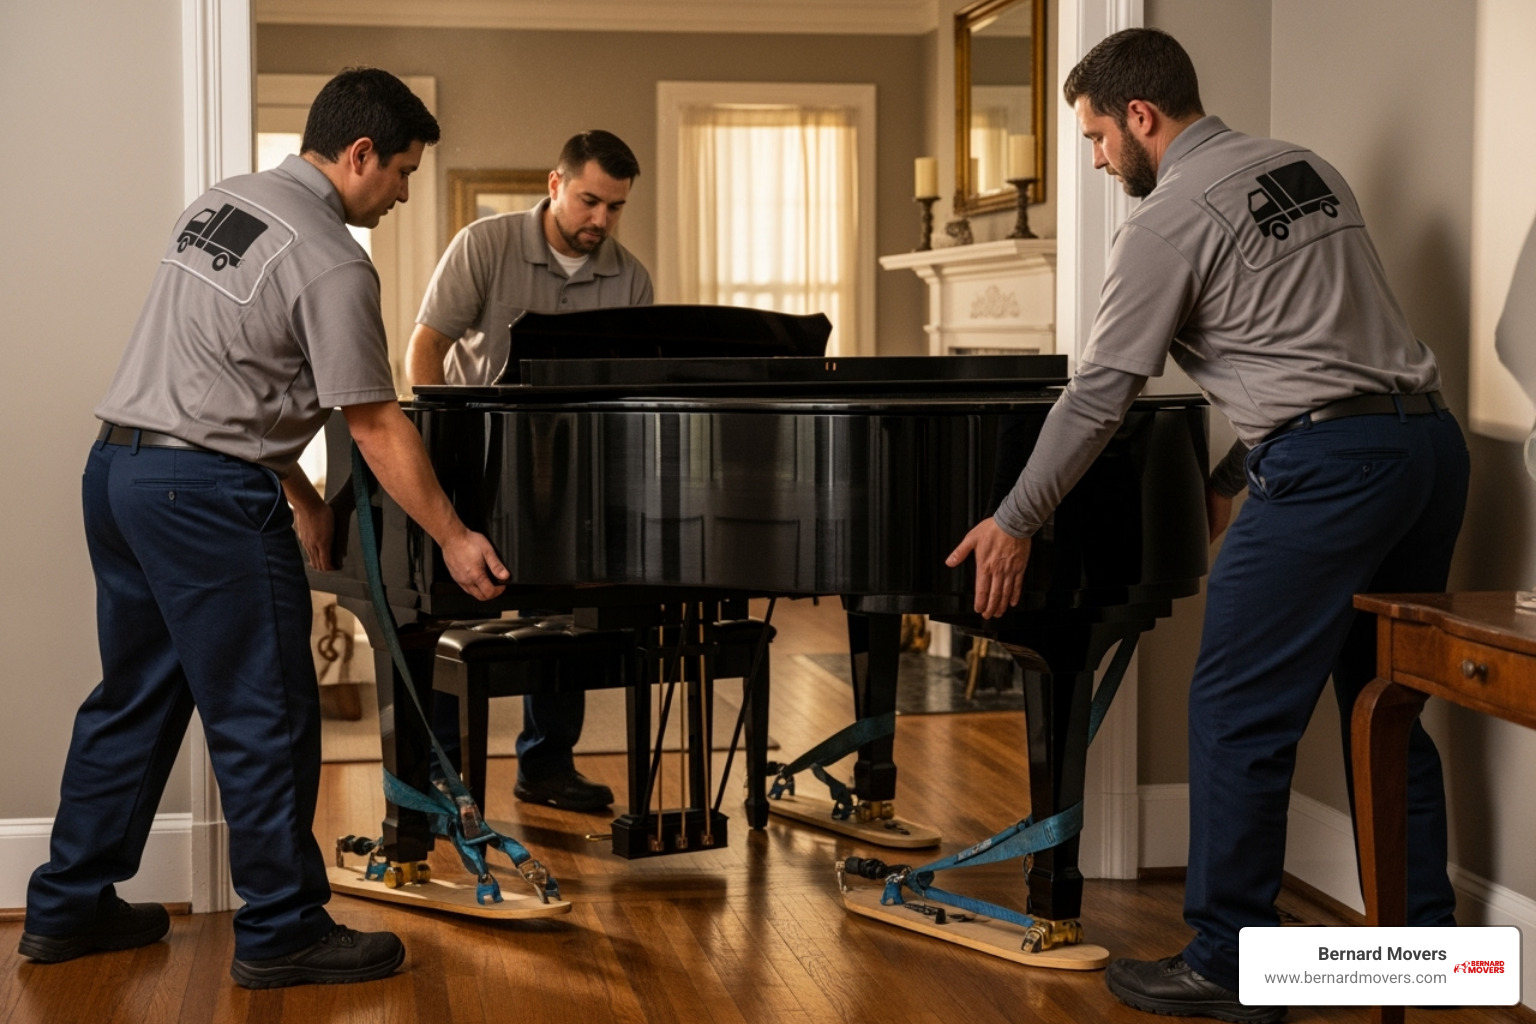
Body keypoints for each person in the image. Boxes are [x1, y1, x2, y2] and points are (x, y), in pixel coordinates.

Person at [946, 29, 1468, 1024]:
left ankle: (1230, 963)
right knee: (1384, 710)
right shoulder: (1303, 167)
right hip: (1429, 452)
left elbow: (1099, 394)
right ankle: (1424, 955)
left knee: (1235, 710)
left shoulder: (1168, 220)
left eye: (1097, 136)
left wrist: (1015, 519)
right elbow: (1325, 344)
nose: (1097, 158)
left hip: (1331, 474)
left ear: (1141, 116)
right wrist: (1232, 474)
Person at [20, 68, 509, 989]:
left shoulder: (223, 205)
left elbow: (238, 372)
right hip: (202, 498)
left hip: (121, 472)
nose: (404, 193)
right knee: (268, 714)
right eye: (402, 171)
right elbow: (374, 421)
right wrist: (451, 534)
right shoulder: (333, 257)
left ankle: (67, 906)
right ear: (359, 154)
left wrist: (303, 497)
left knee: (134, 699)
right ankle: (283, 929)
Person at [406, 130, 652, 812]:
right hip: (472, 464)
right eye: (589, 201)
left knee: (561, 620)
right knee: (449, 611)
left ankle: (546, 767)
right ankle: (441, 772)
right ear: (555, 184)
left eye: (615, 207)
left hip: (572, 477)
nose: (600, 219)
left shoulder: (631, 277)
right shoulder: (483, 245)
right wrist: (439, 451)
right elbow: (425, 348)